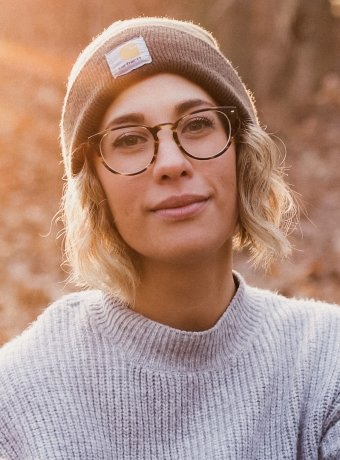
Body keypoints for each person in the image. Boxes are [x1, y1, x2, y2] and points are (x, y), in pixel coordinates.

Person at [0, 17, 339, 460]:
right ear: (94, 186)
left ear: (243, 154)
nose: (172, 163)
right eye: (129, 140)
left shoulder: (325, 361)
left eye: (197, 125)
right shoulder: (20, 395)